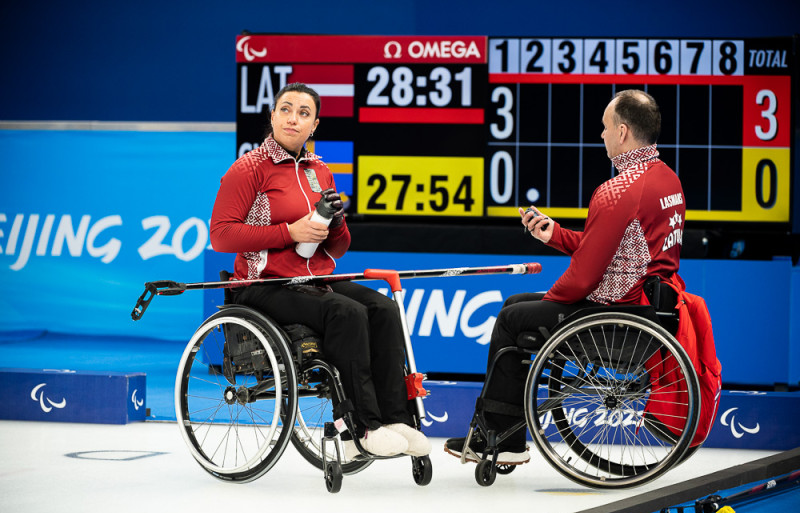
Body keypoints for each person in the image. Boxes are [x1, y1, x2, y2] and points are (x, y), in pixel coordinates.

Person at [444, 89, 686, 465]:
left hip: (619, 318)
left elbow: (583, 277)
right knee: (516, 305)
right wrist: (554, 234)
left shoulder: (618, 190)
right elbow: (615, 250)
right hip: (650, 311)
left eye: (605, 127)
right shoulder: (667, 179)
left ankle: (498, 437)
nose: (600, 135)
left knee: (512, 317)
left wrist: (549, 301)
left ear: (622, 132)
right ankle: (502, 435)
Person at [210, 82, 430, 459]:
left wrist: (338, 224)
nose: (293, 118)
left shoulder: (320, 170)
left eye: (304, 112)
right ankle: (362, 426)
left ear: (315, 125)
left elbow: (338, 248)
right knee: (346, 312)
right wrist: (288, 232)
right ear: (273, 115)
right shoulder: (248, 168)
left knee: (383, 309)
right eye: (286, 109)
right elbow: (221, 235)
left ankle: (397, 419)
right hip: (265, 283)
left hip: (315, 280)